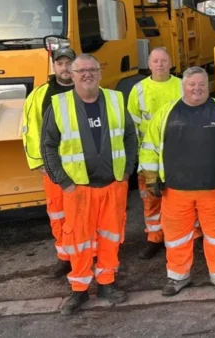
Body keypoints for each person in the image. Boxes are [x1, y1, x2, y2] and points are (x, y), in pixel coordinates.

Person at [139, 67, 215, 297]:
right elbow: (149, 147)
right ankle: (177, 276)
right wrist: (150, 176)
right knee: (176, 237)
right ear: (183, 86)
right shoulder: (166, 112)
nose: (197, 89)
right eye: (192, 84)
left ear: (208, 86)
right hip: (175, 191)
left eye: (201, 84)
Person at [41, 54, 137, 315]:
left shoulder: (116, 100)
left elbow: (130, 137)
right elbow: (48, 146)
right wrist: (64, 183)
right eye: (81, 70)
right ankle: (79, 289)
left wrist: (126, 173)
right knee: (79, 241)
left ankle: (107, 284)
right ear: (72, 76)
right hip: (78, 189)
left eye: (92, 69)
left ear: (100, 73)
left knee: (110, 238)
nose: (87, 74)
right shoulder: (59, 105)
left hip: (113, 186)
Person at [22, 47, 76, 279]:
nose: (65, 68)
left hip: (83, 169)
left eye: (69, 63)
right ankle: (65, 257)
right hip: (53, 168)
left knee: (83, 215)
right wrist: (38, 162)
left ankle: (86, 256)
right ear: (54, 66)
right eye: (60, 63)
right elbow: (30, 129)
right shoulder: (39, 95)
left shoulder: (87, 91)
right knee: (58, 214)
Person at [127, 48, 182, 260]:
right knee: (151, 199)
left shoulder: (181, 86)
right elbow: (132, 126)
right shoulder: (139, 90)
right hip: (148, 157)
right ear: (149, 65)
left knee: (181, 200)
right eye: (156, 61)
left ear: (171, 63)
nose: (160, 64)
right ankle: (155, 238)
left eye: (164, 60)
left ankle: (187, 236)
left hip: (177, 155)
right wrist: (136, 157)